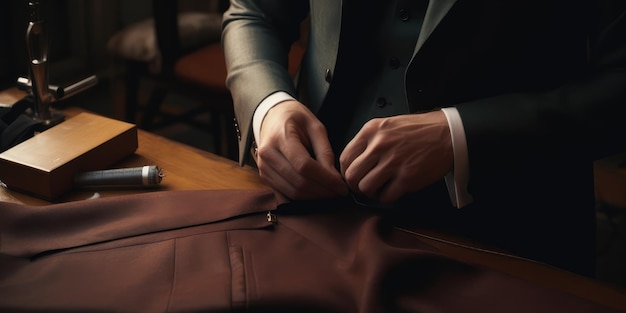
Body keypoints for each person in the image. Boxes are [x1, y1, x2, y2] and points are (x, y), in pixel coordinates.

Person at [221, 0, 626, 276]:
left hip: (505, 231)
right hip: (306, 209)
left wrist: (459, 134)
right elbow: (253, 11)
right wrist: (269, 105)